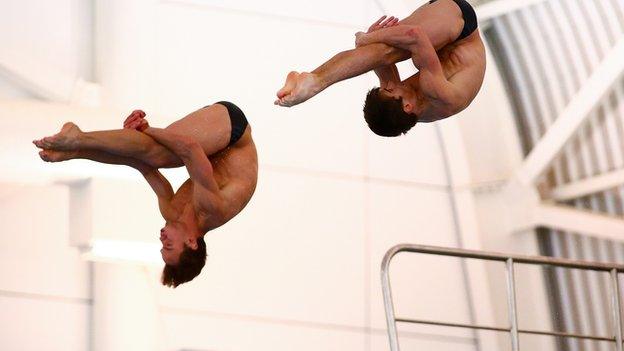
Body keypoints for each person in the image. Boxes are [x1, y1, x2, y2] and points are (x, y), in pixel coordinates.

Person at [33, 102, 258, 287]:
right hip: (234, 133)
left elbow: (141, 165)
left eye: (162, 247)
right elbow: (189, 149)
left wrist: (79, 155)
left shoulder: (170, 211)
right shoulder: (211, 209)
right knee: (160, 154)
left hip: (214, 149)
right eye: (169, 246)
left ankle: (76, 145)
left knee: (152, 156)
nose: (162, 240)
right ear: (191, 242)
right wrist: (146, 129)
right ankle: (78, 137)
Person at [275, 0, 486, 137]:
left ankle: (313, 79)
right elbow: (414, 36)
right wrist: (368, 38)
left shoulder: (403, 107)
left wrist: (367, 43)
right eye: (388, 90)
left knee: (383, 52)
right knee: (387, 50)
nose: (389, 85)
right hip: (461, 27)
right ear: (407, 107)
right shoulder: (438, 94)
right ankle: (315, 82)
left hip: (438, 32)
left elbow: (379, 63)